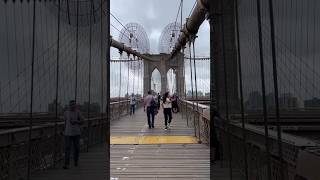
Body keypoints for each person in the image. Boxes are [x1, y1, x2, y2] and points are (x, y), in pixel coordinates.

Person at [63, 100, 83, 169]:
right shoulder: (66, 113)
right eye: (71, 105)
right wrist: (63, 130)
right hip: (67, 133)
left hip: (76, 133)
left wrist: (76, 122)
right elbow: (65, 122)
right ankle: (66, 164)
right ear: (69, 105)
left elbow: (82, 121)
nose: (72, 106)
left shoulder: (78, 112)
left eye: (73, 105)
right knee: (67, 148)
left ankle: (75, 161)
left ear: (75, 105)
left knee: (76, 148)